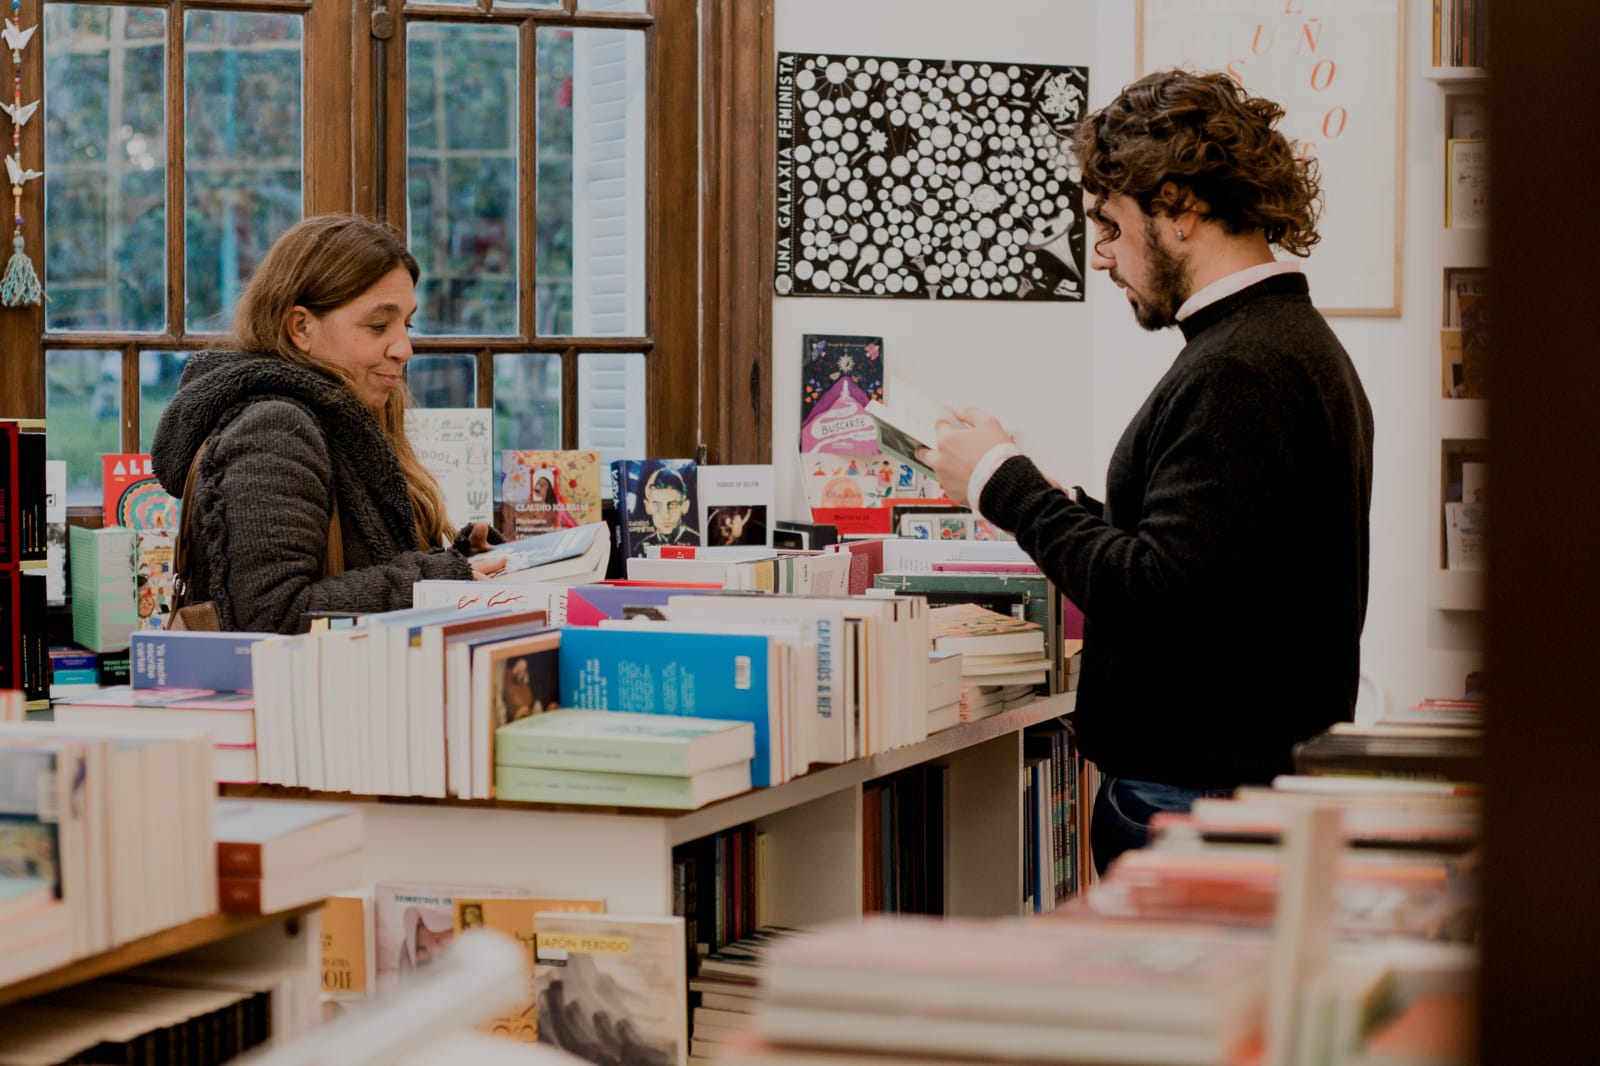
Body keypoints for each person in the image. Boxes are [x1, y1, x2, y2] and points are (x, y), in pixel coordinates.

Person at [920, 69, 1374, 875]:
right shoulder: (1276, 345)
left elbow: (1156, 591)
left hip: (1196, 802)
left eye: (1107, 225)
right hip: (1225, 793)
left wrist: (1003, 484)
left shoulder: (1242, 367)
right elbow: (1208, 559)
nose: (1099, 257)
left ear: (1178, 206)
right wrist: (1062, 503)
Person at [151, 213, 502, 634]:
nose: (405, 348)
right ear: (301, 327)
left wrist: (461, 563)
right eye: (378, 325)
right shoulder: (273, 431)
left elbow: (364, 570)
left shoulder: (340, 417)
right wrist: (431, 580)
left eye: (407, 324)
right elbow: (269, 618)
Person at [635, 465, 699, 551]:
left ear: (685, 506)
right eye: (657, 505)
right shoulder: (640, 548)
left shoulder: (698, 543)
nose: (666, 515)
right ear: (648, 507)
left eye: (673, 505)